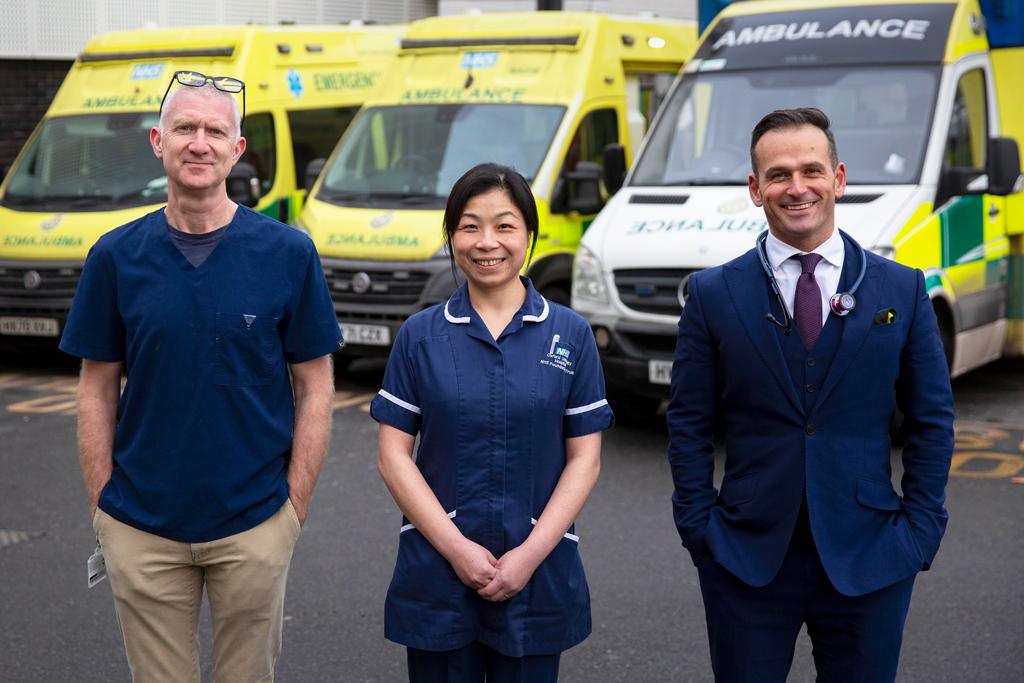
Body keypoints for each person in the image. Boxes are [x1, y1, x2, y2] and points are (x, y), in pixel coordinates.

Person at [60, 71, 341, 681]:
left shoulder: (288, 254)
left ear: (237, 151)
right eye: (185, 128)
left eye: (216, 130)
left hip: (256, 521)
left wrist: (294, 506)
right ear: (158, 141)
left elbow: (317, 386)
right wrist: (103, 508)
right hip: (140, 525)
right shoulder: (115, 256)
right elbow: (96, 388)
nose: (199, 142)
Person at [667, 108, 954, 683]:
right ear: (755, 189)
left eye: (812, 170)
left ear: (839, 178)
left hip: (871, 555)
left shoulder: (901, 288)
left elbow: (932, 421)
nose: (797, 188)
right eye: (778, 175)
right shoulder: (711, 294)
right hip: (744, 558)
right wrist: (700, 529)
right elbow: (689, 422)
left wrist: (920, 531)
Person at [371, 163, 614, 682]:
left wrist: (528, 555)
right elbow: (393, 455)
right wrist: (457, 549)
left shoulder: (569, 335)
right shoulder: (420, 336)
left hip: (538, 575)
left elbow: (585, 458)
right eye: (469, 225)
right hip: (438, 572)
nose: (487, 242)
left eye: (505, 226)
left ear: (529, 234)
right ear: (451, 235)